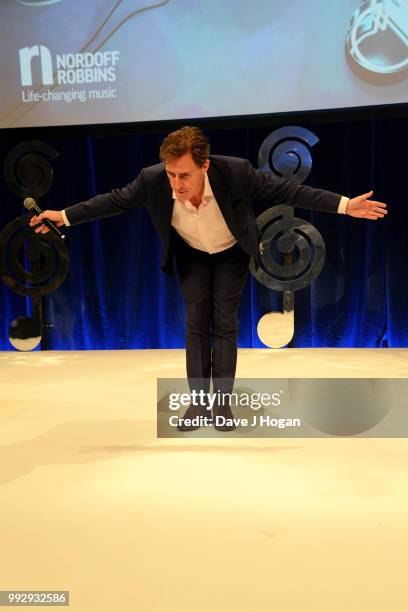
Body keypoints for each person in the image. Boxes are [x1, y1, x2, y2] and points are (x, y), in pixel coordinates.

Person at [29, 126, 388, 432]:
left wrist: (344, 205)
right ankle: (199, 403)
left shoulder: (236, 173)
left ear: (204, 164)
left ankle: (223, 404)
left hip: (231, 251)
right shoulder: (152, 180)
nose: (176, 183)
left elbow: (289, 191)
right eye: (171, 174)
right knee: (197, 324)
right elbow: (114, 200)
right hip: (190, 253)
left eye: (184, 175)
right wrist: (64, 215)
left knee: (225, 323)